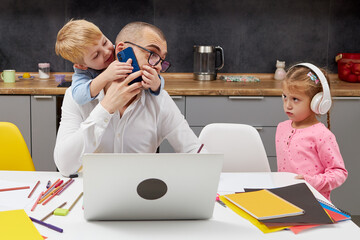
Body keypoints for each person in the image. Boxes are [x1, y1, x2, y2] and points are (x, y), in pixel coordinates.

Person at [54, 22, 202, 177]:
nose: (158, 67)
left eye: (161, 60)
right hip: (93, 193)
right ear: (123, 50)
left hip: (142, 195)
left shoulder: (159, 98)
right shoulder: (76, 95)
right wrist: (106, 107)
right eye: (152, 54)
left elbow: (193, 150)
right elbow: (65, 166)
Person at [276, 63, 348, 201]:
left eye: (295, 99)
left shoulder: (322, 135)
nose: (288, 105)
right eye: (285, 97)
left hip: (314, 203)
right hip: (286, 200)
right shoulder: (282, 128)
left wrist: (313, 182)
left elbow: (339, 173)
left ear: (318, 102)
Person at [55, 19, 164, 105]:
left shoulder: (122, 52)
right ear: (82, 65)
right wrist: (106, 76)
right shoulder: (83, 72)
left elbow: (157, 77)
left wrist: (156, 84)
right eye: (96, 55)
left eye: (104, 42)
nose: (107, 51)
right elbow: (79, 97)